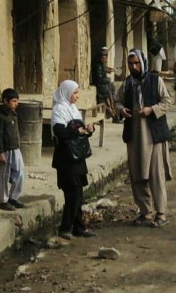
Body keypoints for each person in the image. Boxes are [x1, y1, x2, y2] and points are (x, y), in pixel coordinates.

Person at [118, 49, 172, 227]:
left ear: (143, 63)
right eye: (131, 64)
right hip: (134, 135)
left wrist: (152, 110)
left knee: (155, 175)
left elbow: (167, 101)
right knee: (137, 175)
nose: (134, 67)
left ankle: (161, 213)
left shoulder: (156, 80)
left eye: (137, 63)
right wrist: (120, 110)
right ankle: (145, 211)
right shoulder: (127, 83)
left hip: (153, 134)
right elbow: (117, 101)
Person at [51, 79, 96, 238]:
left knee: (79, 194)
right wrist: (78, 132)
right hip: (66, 158)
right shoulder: (59, 110)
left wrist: (89, 130)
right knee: (72, 195)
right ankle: (65, 228)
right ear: (67, 93)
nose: (77, 96)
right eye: (75, 93)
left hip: (77, 157)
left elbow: (80, 130)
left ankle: (79, 227)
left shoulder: (73, 109)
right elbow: (60, 132)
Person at [0, 87, 26, 211]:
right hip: (5, 150)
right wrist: (0, 152)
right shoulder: (0, 117)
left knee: (20, 173)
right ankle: (4, 200)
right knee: (3, 176)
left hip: (15, 149)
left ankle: (13, 198)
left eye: (17, 101)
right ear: (5, 101)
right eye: (14, 101)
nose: (16, 104)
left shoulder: (14, 115)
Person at [91, 47, 116, 120]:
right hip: (99, 84)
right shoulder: (98, 65)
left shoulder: (102, 64)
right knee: (108, 92)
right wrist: (108, 79)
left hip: (103, 84)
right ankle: (112, 113)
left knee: (112, 87)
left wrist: (111, 70)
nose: (105, 60)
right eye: (103, 58)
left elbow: (105, 69)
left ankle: (112, 109)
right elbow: (99, 79)